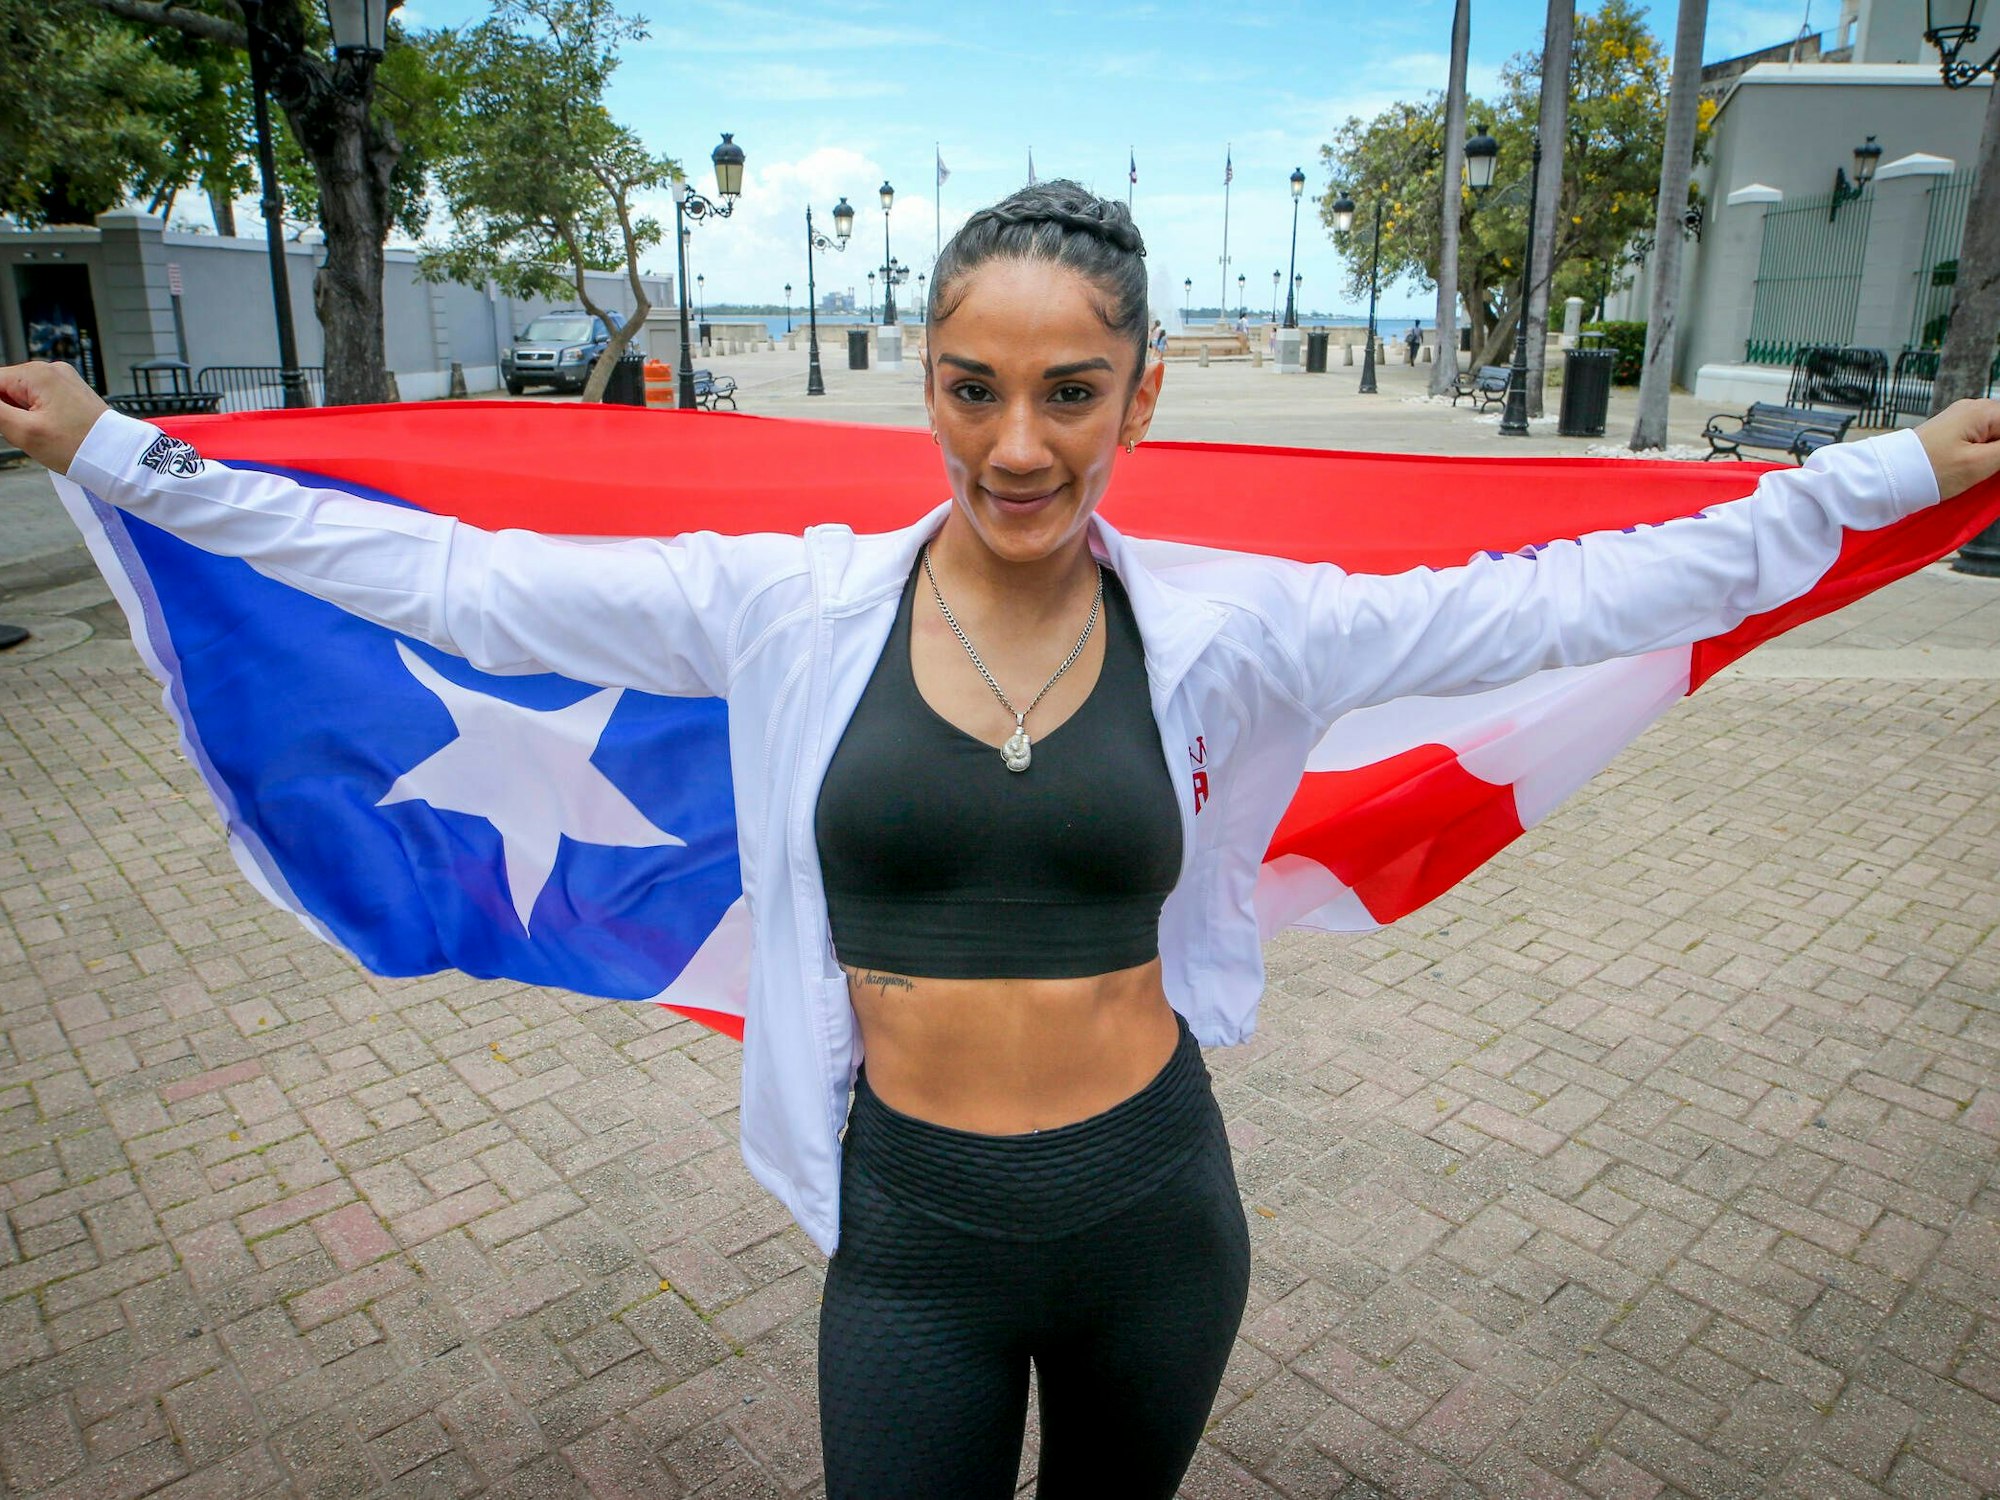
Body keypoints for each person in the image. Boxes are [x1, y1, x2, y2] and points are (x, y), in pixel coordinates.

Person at [4, 180, 1999, 1499]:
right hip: (914, 1237)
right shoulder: (785, 606)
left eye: (1069, 393)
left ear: (1141, 391)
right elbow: (451, 578)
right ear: (929, 381)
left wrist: (1882, 477)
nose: (1018, 443)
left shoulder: (1235, 628)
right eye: (973, 389)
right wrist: (129, 457)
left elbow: (1572, 594)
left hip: (1157, 1214)